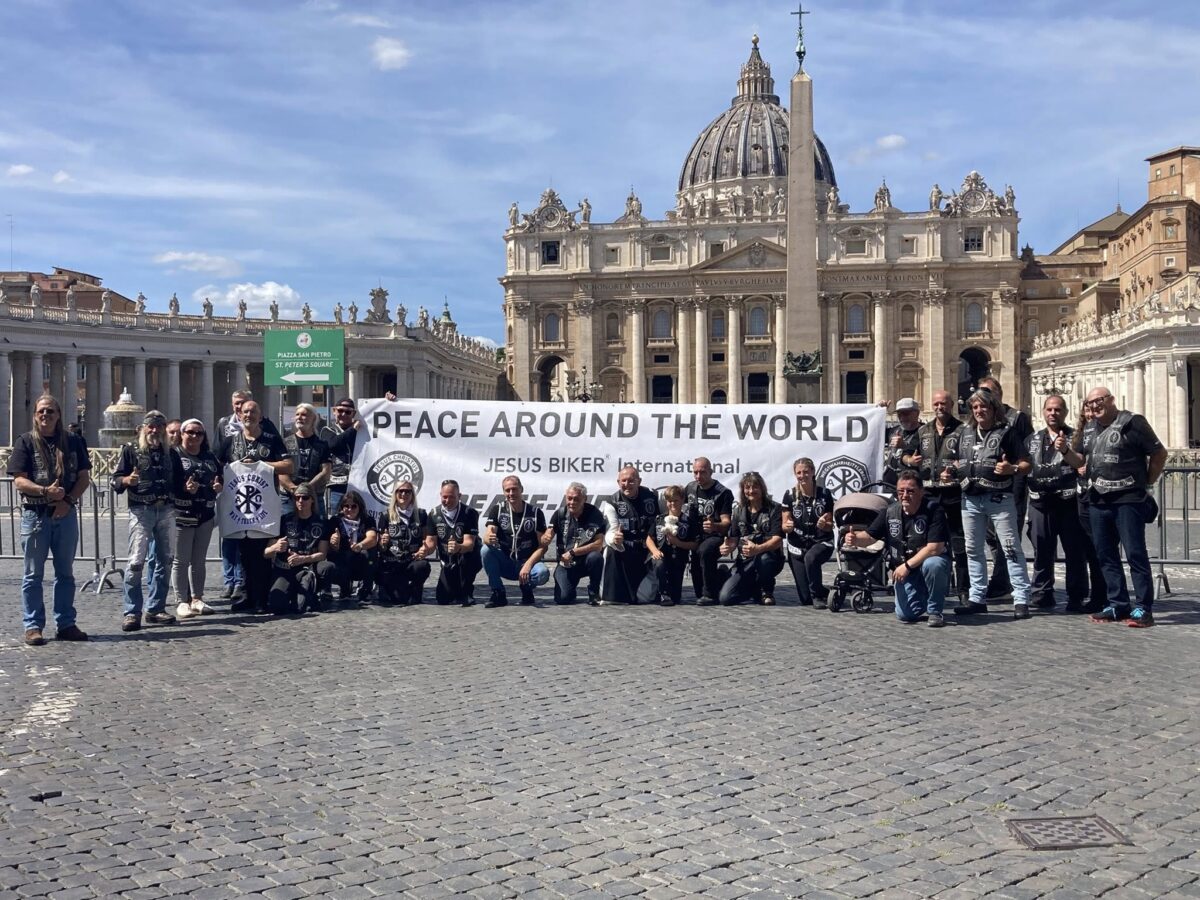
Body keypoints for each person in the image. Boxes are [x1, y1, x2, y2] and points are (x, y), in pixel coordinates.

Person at [1060, 388, 1167, 627]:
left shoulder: (1133, 422)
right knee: (1105, 555)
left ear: (1111, 400)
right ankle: (1118, 604)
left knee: (1135, 553)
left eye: (1099, 400)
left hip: (1128, 499)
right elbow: (1080, 461)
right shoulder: (1088, 429)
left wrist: (1148, 481)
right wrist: (1065, 451)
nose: (1095, 406)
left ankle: (1143, 608)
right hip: (1098, 499)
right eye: (1090, 403)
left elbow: (1159, 452)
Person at [941, 386, 1034, 619]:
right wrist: (949, 472)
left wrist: (1011, 468)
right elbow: (953, 461)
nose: (979, 410)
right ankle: (977, 597)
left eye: (983, 406)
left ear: (994, 409)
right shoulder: (965, 433)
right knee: (973, 550)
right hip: (970, 499)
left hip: (999, 498)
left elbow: (1026, 464)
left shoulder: (1007, 433)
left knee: (1011, 548)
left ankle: (1021, 599)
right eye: (975, 407)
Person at [8, 394, 92, 645]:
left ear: (58, 415)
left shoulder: (75, 441)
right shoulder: (25, 442)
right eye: (41, 411)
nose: (46, 415)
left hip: (65, 515)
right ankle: (33, 626)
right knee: (32, 574)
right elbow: (18, 480)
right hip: (36, 514)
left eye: (50, 411)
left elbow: (84, 477)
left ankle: (65, 623)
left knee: (65, 573)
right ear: (35, 415)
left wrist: (66, 502)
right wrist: (45, 492)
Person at [112, 410, 186, 632]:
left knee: (165, 560)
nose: (155, 430)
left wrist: (188, 488)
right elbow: (115, 480)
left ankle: (156, 608)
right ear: (143, 428)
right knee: (136, 561)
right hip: (141, 510)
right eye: (150, 426)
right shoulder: (130, 450)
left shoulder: (171, 453)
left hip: (166, 510)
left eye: (159, 427)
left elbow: (180, 482)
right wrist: (127, 479)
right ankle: (132, 612)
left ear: (164, 430)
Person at [846, 470, 950, 626]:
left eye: (910, 491)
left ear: (921, 492)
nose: (905, 495)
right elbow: (869, 537)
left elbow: (935, 548)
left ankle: (935, 611)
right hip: (904, 569)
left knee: (934, 564)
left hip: (922, 564)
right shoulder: (889, 512)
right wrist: (855, 539)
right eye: (901, 491)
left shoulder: (934, 510)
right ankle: (925, 595)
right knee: (905, 615)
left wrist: (906, 566)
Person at [216, 400, 292, 613]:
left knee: (262, 554)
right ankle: (248, 597)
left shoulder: (271, 440)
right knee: (244, 555)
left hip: (264, 507)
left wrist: (262, 465)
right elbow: (215, 465)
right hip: (239, 508)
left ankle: (261, 599)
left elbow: (288, 465)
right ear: (239, 416)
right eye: (245, 412)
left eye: (253, 412)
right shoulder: (230, 442)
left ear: (260, 416)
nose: (248, 415)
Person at [1026, 394, 1089, 612]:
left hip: (1068, 502)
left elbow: (1080, 462)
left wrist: (1065, 450)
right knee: (1041, 550)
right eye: (1049, 410)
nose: (1053, 413)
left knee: (1074, 551)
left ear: (1065, 413)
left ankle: (1076, 595)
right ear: (1043, 412)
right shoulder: (1033, 439)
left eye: (1058, 410)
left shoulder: (1076, 436)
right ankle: (1042, 593)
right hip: (1039, 502)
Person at [976, 376, 1033, 601]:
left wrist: (1017, 471)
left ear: (999, 393)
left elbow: (1028, 452)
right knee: (991, 535)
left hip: (1013, 484)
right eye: (982, 392)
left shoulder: (1017, 418)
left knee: (1008, 536)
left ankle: (1003, 583)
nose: (986, 396)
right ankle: (1004, 578)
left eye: (989, 391)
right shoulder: (977, 420)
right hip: (986, 486)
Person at [914, 389, 968, 600]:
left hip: (953, 493)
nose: (939, 407)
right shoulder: (923, 431)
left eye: (943, 404)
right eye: (936, 404)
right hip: (928, 494)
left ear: (951, 404)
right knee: (928, 542)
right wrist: (910, 460)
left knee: (959, 543)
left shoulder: (963, 431)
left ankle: (964, 589)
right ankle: (933, 586)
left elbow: (970, 459)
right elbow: (907, 458)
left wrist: (956, 468)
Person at [171, 418, 222, 619]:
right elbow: (169, 482)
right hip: (182, 513)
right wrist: (183, 488)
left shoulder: (209, 457)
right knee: (181, 560)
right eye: (190, 432)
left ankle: (197, 598)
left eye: (199, 433)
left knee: (199, 560)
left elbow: (219, 478)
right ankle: (181, 600)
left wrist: (219, 487)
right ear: (182, 434)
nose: (194, 436)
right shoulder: (174, 455)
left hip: (205, 514)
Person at [264, 483, 332, 614]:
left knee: (301, 607)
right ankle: (291, 593)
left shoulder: (322, 522)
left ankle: (312, 594)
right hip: (285, 569)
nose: (301, 501)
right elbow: (266, 553)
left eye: (305, 497)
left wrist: (303, 559)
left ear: (312, 499)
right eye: (297, 498)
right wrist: (275, 547)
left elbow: (322, 554)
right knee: (276, 605)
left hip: (306, 569)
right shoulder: (283, 521)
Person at [481, 476, 549, 607]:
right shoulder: (498, 509)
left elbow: (543, 546)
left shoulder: (535, 513)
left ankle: (527, 588)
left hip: (527, 562)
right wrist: (489, 538)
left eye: (514, 489)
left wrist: (528, 565)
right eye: (507, 490)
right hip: (506, 562)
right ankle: (498, 592)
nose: (511, 493)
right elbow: (487, 535)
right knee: (485, 550)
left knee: (542, 573)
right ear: (504, 492)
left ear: (521, 489)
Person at [719, 471, 784, 605]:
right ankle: (754, 589)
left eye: (755, 487)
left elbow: (777, 540)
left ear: (762, 488)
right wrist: (727, 547)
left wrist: (758, 549)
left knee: (764, 560)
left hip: (769, 557)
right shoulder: (738, 510)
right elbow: (734, 538)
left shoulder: (774, 508)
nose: (751, 491)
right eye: (747, 488)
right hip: (745, 560)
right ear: (743, 490)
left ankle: (767, 591)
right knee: (725, 599)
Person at [599, 466, 659, 605]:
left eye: (631, 481)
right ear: (618, 482)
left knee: (644, 599)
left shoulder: (653, 497)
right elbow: (611, 530)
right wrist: (615, 538)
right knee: (610, 549)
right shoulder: (611, 502)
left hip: (647, 551)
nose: (627, 484)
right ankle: (610, 596)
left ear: (639, 481)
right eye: (623, 481)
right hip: (624, 550)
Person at [780, 457, 835, 607]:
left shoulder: (824, 494)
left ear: (812, 472)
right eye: (798, 473)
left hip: (820, 542)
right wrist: (788, 526)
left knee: (811, 557)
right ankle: (827, 592)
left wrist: (824, 524)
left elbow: (830, 525)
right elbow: (784, 525)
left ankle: (818, 596)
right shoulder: (790, 495)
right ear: (795, 474)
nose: (802, 476)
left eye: (805, 472)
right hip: (797, 545)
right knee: (805, 599)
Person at [1071, 404, 1109, 614]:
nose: (1089, 414)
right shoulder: (1080, 435)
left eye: (1093, 409)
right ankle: (1097, 595)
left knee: (1104, 549)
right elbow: (1073, 459)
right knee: (1090, 550)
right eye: (1086, 410)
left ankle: (1109, 595)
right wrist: (1077, 465)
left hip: (1105, 496)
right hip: (1084, 497)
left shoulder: (1109, 432)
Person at [546, 482, 607, 605]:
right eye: (569, 498)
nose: (572, 502)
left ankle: (594, 592)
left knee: (596, 557)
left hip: (586, 561)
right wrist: (545, 538)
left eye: (576, 499)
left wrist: (573, 552)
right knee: (562, 599)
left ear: (585, 499)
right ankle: (570, 589)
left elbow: (598, 544)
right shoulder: (560, 514)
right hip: (566, 563)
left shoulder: (594, 514)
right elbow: (547, 535)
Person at [639, 485, 700, 606]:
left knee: (676, 597)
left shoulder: (689, 521)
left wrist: (678, 543)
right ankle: (663, 593)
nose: (672, 504)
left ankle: (666, 592)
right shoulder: (659, 519)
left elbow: (695, 545)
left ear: (682, 500)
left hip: (678, 558)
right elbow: (649, 539)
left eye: (676, 500)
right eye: (669, 501)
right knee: (660, 564)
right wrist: (655, 551)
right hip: (660, 555)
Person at [376, 480, 435, 605]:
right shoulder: (385, 516)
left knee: (422, 566)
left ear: (412, 494)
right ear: (395, 494)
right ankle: (388, 588)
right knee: (398, 600)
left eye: (407, 491)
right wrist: (383, 543)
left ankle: (416, 588)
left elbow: (427, 541)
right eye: (400, 491)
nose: (404, 494)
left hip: (412, 561)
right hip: (393, 562)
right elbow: (381, 548)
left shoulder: (421, 514)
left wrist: (425, 550)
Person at [685, 457, 733, 605]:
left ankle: (710, 595)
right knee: (698, 590)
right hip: (696, 535)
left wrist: (714, 526)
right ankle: (722, 575)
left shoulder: (723, 493)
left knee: (704, 551)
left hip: (715, 536)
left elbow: (726, 523)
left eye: (703, 472)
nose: (698, 476)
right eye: (695, 472)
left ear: (711, 472)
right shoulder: (690, 488)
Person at [429, 479, 482, 606]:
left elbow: (469, 544)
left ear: (459, 496)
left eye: (451, 497)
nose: (447, 501)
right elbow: (431, 542)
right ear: (440, 495)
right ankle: (456, 588)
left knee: (467, 558)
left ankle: (467, 591)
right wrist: (425, 550)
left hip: (466, 555)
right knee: (443, 599)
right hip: (447, 559)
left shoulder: (469, 513)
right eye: (444, 497)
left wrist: (459, 547)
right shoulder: (433, 514)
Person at [326, 488, 378, 607]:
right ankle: (344, 587)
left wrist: (360, 545)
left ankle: (365, 589)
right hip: (342, 560)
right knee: (338, 556)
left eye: (353, 506)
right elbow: (329, 547)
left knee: (370, 553)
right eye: (346, 506)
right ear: (341, 507)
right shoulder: (335, 521)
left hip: (360, 559)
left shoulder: (367, 520)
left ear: (359, 507)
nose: (350, 509)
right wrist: (334, 542)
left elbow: (372, 538)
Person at [280, 403, 331, 518]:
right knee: (287, 531)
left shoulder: (322, 444)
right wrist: (294, 489)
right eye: (297, 414)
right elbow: (280, 470)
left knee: (318, 530)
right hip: (289, 497)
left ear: (313, 418)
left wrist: (307, 489)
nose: (299, 417)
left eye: (304, 415)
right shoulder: (285, 442)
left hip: (314, 498)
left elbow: (326, 472)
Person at [320, 398, 359, 509]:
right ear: (334, 411)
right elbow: (333, 444)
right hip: (336, 485)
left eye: (348, 412)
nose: (343, 414)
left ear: (354, 414)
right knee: (335, 516)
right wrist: (353, 429)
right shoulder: (327, 430)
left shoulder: (361, 432)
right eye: (340, 411)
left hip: (358, 483)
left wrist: (387, 402)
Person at [884, 398, 923, 488]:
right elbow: (874, 433)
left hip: (910, 485)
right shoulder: (894, 430)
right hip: (889, 484)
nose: (902, 417)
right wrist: (879, 411)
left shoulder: (925, 433)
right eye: (899, 414)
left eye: (906, 413)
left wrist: (903, 446)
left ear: (917, 413)